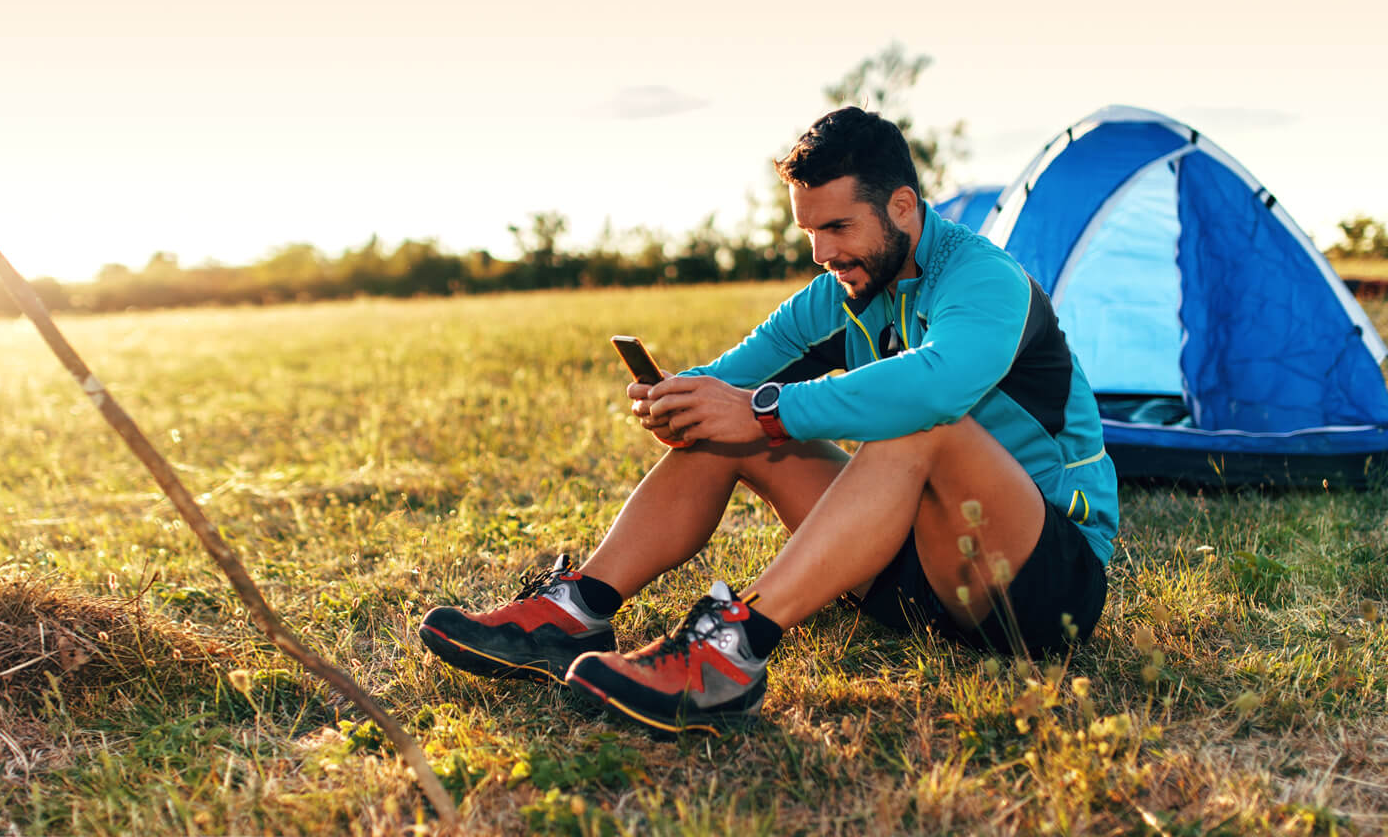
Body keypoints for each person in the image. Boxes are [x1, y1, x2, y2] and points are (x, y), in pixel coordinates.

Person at [419, 107, 1117, 736]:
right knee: (729, 425)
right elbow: (734, 378)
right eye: (810, 231)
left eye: (838, 226)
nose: (821, 253)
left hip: (1038, 585)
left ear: (902, 205)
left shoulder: (983, 279)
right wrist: (684, 401)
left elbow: (938, 385)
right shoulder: (840, 292)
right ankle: (574, 613)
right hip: (917, 579)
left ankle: (733, 649)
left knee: (924, 420)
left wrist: (763, 411)